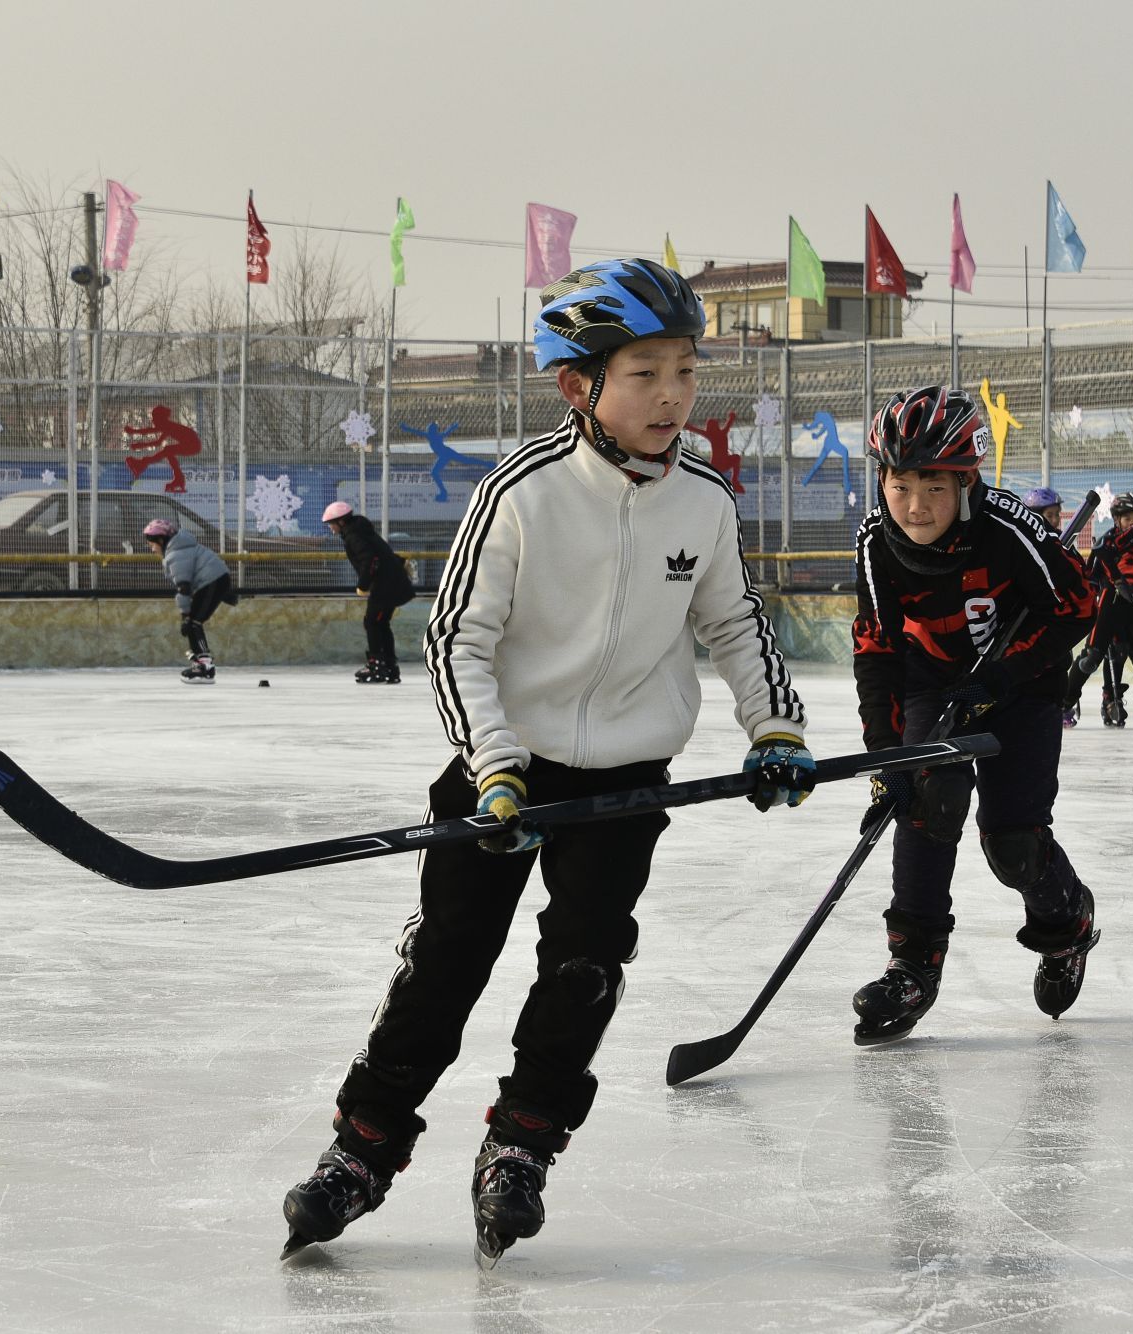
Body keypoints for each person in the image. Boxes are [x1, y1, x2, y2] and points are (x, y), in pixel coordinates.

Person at [282, 258, 813, 1264]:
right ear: (579, 386)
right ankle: (362, 1145)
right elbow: (457, 640)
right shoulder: (520, 493)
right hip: (502, 771)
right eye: (644, 373)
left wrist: (772, 726)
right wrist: (493, 763)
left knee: (585, 964)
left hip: (621, 778)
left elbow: (735, 623)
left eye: (685, 372)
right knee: (444, 963)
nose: (671, 395)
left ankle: (522, 1140)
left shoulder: (701, 502)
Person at [849, 385, 1097, 1046]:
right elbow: (875, 648)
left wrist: (1005, 672)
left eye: (935, 487)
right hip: (935, 679)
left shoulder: (1012, 530)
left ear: (967, 482)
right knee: (926, 802)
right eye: (900, 484)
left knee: (1011, 845)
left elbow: (1075, 610)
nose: (915, 505)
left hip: (1023, 691)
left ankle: (1067, 922)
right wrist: (885, 756)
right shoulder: (877, 543)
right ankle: (911, 962)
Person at [1061, 492, 1133, 737]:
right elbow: (1096, 562)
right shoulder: (1112, 540)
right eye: (1127, 519)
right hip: (1112, 602)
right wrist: (1116, 580)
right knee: (1091, 658)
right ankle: (1061, 705)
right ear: (1117, 520)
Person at [323, 500, 415, 684]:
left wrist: (363, 585)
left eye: (332, 524)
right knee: (380, 623)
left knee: (372, 622)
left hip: (385, 586)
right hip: (390, 583)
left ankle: (377, 665)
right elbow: (381, 551)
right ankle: (389, 665)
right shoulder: (360, 530)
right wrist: (400, 562)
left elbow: (371, 560)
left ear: (341, 522)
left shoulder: (354, 535)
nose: (331, 529)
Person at [142, 518, 234, 684]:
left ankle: (205, 666)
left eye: (152, 544)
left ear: (161, 541)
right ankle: (200, 661)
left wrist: (185, 615)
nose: (151, 549)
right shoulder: (180, 548)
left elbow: (183, 587)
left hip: (212, 581)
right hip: (215, 580)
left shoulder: (176, 554)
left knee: (193, 622)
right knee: (193, 622)